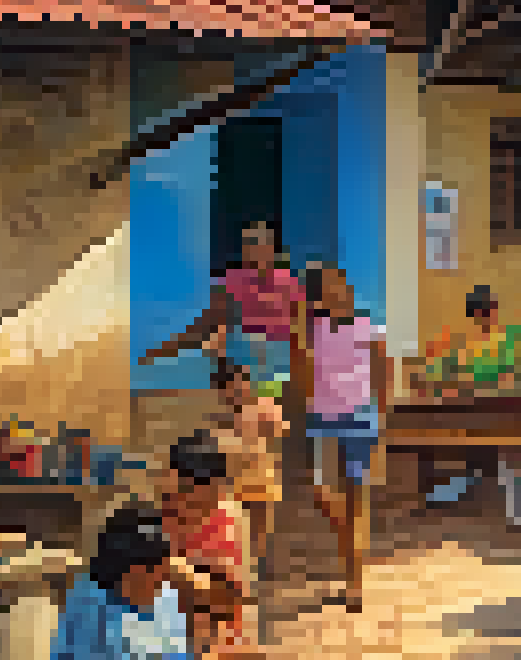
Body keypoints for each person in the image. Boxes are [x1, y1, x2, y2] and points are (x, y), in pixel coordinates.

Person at [52, 505, 205, 660]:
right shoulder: (91, 606)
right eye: (159, 572)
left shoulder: (161, 596)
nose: (165, 580)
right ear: (132, 573)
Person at [291, 263, 390, 612]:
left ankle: (354, 586)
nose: (338, 291)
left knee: (354, 501)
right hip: (321, 417)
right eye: (329, 286)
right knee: (319, 490)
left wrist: (383, 408)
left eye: (340, 284)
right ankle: (350, 537)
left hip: (359, 417)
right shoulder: (310, 329)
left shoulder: (365, 326)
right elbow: (300, 370)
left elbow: (384, 366)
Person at [157, 431, 270, 660]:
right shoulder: (168, 511)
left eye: (187, 488)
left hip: (211, 630)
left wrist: (172, 568)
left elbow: (225, 599)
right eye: (176, 486)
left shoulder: (227, 521)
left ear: (213, 487)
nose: (177, 495)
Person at [142, 221, 304, 398]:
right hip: (240, 368)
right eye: (248, 244)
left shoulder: (290, 285)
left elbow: (301, 334)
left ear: (273, 248)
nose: (253, 250)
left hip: (275, 370)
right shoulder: (233, 281)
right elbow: (207, 322)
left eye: (259, 243)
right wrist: (165, 350)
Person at [208, 357, 285, 587]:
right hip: (234, 484)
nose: (235, 390)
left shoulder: (263, 406)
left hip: (262, 480)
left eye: (239, 384)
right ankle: (244, 574)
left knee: (260, 531)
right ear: (221, 391)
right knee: (239, 532)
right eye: (228, 387)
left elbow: (282, 430)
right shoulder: (220, 415)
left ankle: (258, 572)